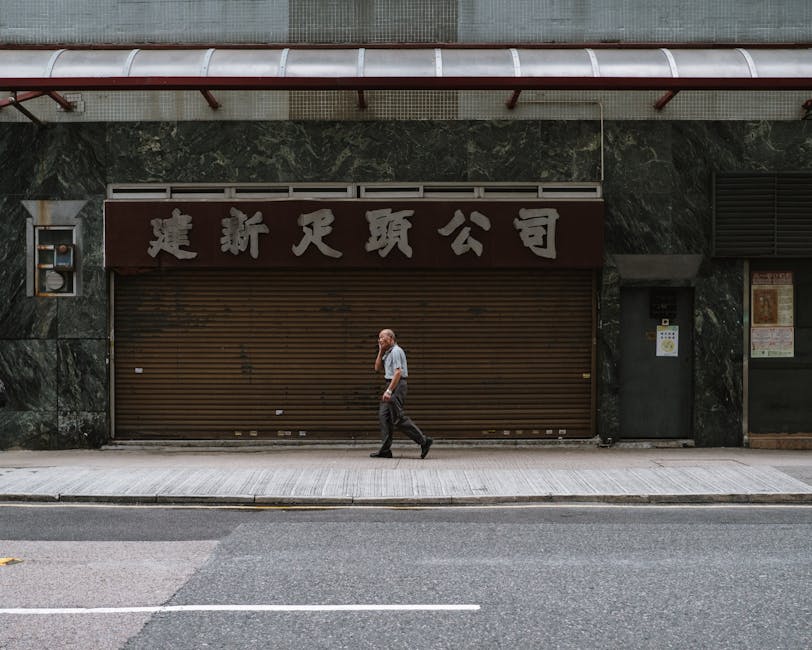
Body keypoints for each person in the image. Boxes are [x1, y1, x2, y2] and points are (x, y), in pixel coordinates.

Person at [370, 328, 433, 459]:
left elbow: (398, 372)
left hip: (397, 385)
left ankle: (424, 441)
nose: (380, 340)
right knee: (384, 417)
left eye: (383, 337)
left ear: (391, 339)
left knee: (397, 418)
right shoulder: (387, 352)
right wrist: (380, 350)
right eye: (379, 338)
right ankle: (385, 450)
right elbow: (377, 368)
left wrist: (389, 390)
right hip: (390, 383)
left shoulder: (396, 351)